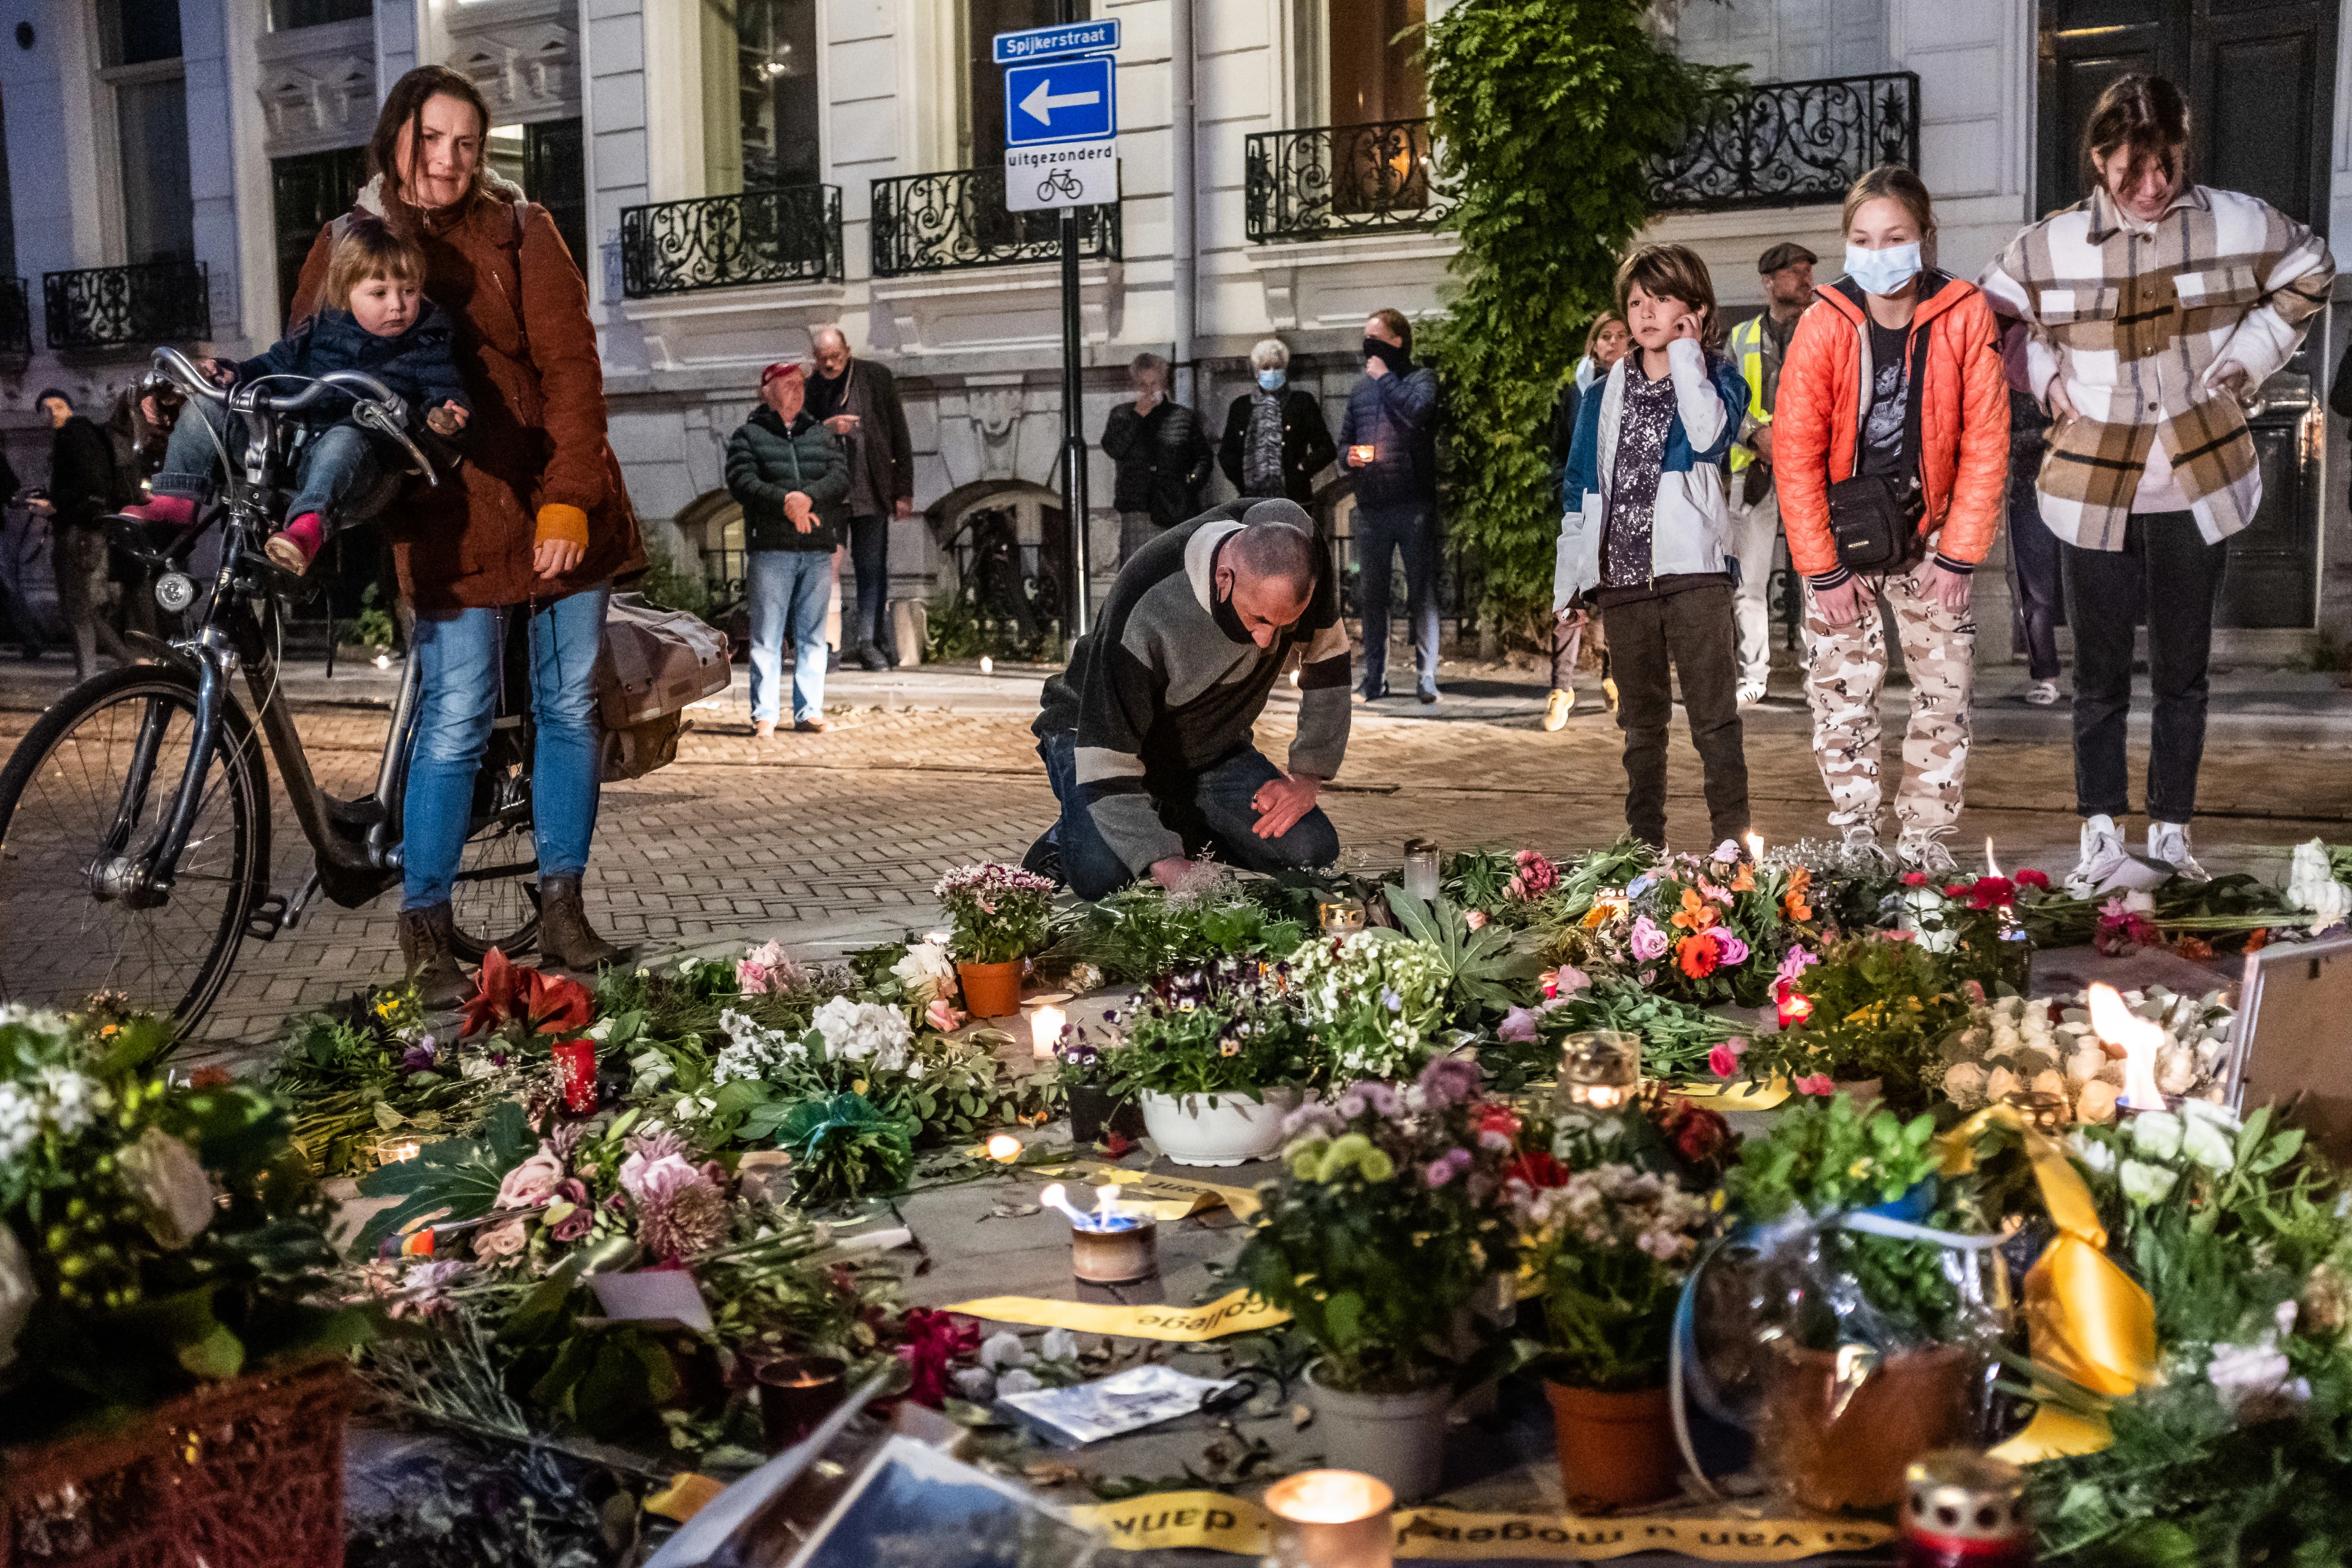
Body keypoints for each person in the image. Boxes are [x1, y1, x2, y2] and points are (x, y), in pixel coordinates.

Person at [286, 64, 647, 1001]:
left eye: (466, 143)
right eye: (430, 138)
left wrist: (570, 497)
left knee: (569, 710)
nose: (447, 160)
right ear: (395, 135)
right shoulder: (349, 243)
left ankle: (562, 909)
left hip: (556, 508)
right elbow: (313, 374)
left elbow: (574, 373)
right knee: (453, 722)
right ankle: (426, 927)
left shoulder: (523, 230)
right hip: (448, 520)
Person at [1981, 75, 2334, 889]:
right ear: (2099, 157)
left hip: (2197, 486)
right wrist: (2047, 378)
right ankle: (2101, 835)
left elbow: (2312, 268)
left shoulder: (2236, 222)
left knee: (2184, 672)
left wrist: (2250, 356)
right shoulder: (2049, 243)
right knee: (2097, 676)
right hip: (2091, 493)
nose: (2152, 188)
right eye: (2132, 169)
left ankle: (2172, 835)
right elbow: (1986, 318)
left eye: (2168, 166)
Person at [1776, 165, 2008, 875]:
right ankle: (1855, 836)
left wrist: (1958, 555)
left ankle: (1924, 841)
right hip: (1843, 541)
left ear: (1925, 237)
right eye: (1863, 238)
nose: (1880, 252)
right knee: (1842, 698)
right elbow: (1795, 448)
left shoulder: (1966, 312)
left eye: (1896, 236)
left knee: (1944, 697)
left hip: (1931, 540)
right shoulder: (1823, 322)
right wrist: (1821, 568)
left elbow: (1986, 440)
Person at [1026, 498, 1350, 899]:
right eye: (1261, 619)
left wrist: (1307, 777)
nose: (1268, 641)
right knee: (1104, 875)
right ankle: (1069, 837)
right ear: (1224, 578)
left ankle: (1156, 814)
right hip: (1093, 736)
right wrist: (1166, 862)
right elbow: (1107, 759)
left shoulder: (1300, 550)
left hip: (1203, 748)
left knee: (1311, 850)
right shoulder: (1146, 603)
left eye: (1285, 624)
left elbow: (1327, 660)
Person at [128, 216, 471, 575]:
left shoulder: (427, 342)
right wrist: (235, 374)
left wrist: (447, 414)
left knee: (342, 440)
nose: (398, 305)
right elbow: (276, 364)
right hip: (292, 450)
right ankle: (173, 505)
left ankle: (307, 529)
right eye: (380, 293)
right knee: (205, 409)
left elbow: (443, 387)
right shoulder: (320, 330)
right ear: (346, 294)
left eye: (409, 291)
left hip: (361, 467)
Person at [1556, 244, 1751, 852]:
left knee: (1714, 720)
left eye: (1660, 299)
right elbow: (1579, 489)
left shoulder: (1718, 377)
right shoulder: (1599, 396)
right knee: (1641, 728)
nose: (1644, 313)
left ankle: (1732, 843)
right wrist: (1571, 584)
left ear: (1693, 308)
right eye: (1636, 301)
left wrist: (1690, 355)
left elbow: (1709, 435)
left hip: (1694, 574)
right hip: (1623, 580)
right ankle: (1645, 845)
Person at [727, 363, 846, 739]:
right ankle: (764, 712)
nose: (799, 391)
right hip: (772, 546)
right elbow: (742, 481)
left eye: (800, 385)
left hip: (815, 545)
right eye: (790, 385)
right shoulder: (749, 435)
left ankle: (808, 710)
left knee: (813, 633)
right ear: (769, 391)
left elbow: (840, 477)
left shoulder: (820, 434)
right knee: (768, 634)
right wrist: (786, 502)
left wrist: (807, 499)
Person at [1726, 242, 1819, 708]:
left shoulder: (1825, 329)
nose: (1805, 279)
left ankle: (1816, 676)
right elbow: (1723, 399)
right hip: (1754, 471)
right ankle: (1754, 675)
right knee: (1750, 583)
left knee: (1816, 580)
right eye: (1795, 273)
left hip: (1810, 471)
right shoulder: (1741, 336)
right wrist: (1754, 436)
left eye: (1808, 271)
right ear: (1769, 281)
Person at [1339, 308, 1442, 703]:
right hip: (1371, 507)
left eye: (1376, 339)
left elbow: (1418, 414)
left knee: (1422, 593)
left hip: (1413, 503)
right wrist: (1350, 456)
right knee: (1373, 595)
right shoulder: (1359, 389)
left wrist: (1384, 378)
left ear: (1397, 342)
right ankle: (1374, 677)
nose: (1368, 348)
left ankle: (1426, 677)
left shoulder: (1422, 379)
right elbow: (1343, 441)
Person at [807, 325, 913, 670]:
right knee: (827, 568)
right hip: (829, 495)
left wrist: (903, 490)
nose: (830, 365)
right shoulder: (810, 388)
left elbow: (899, 432)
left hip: (871, 487)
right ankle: (829, 645)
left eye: (835, 357)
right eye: (823, 359)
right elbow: (803, 437)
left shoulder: (876, 377)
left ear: (848, 351)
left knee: (872, 568)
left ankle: (869, 640)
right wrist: (828, 427)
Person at [1544, 312, 1630, 730]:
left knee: (1618, 598)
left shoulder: (1644, 386)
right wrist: (1565, 485)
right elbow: (1560, 449)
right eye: (1605, 337)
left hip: (1627, 508)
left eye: (1621, 336)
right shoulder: (1576, 392)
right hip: (1584, 504)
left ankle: (1614, 677)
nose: (1613, 343)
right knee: (1571, 598)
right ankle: (1562, 689)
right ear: (1593, 345)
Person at [29, 389, 131, 681]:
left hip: (79, 532)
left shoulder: (75, 435)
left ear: (56, 407)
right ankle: (130, 664)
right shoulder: (86, 435)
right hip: (86, 529)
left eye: (45, 414)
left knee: (77, 611)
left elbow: (90, 484)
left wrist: (54, 506)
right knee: (82, 609)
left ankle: (85, 681)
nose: (46, 421)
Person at [1994, 306, 2064, 704]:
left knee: (2092, 583)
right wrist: (2052, 431)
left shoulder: (2071, 363)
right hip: (2029, 488)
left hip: (2083, 485)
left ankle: (2098, 672)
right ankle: (2046, 675)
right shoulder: (2004, 377)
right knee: (2034, 588)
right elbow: (1999, 435)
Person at [1102, 353, 1213, 565]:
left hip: (1175, 509)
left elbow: (1204, 458)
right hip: (1138, 510)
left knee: (1174, 572)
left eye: (1154, 383)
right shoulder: (1122, 415)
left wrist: (1189, 483)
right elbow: (1114, 448)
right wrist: (1137, 417)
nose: (1149, 390)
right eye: (1143, 384)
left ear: (1164, 383)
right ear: (1135, 385)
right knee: (1137, 574)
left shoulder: (1182, 417)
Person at [1218, 339, 1336, 507]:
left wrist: (1302, 469)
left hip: (1295, 500)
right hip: (1252, 502)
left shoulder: (1302, 402)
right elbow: (1227, 454)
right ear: (1257, 372)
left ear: (1285, 369)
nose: (1271, 372)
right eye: (1266, 368)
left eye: (1277, 367)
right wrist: (1244, 478)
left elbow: (1327, 448)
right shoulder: (1241, 407)